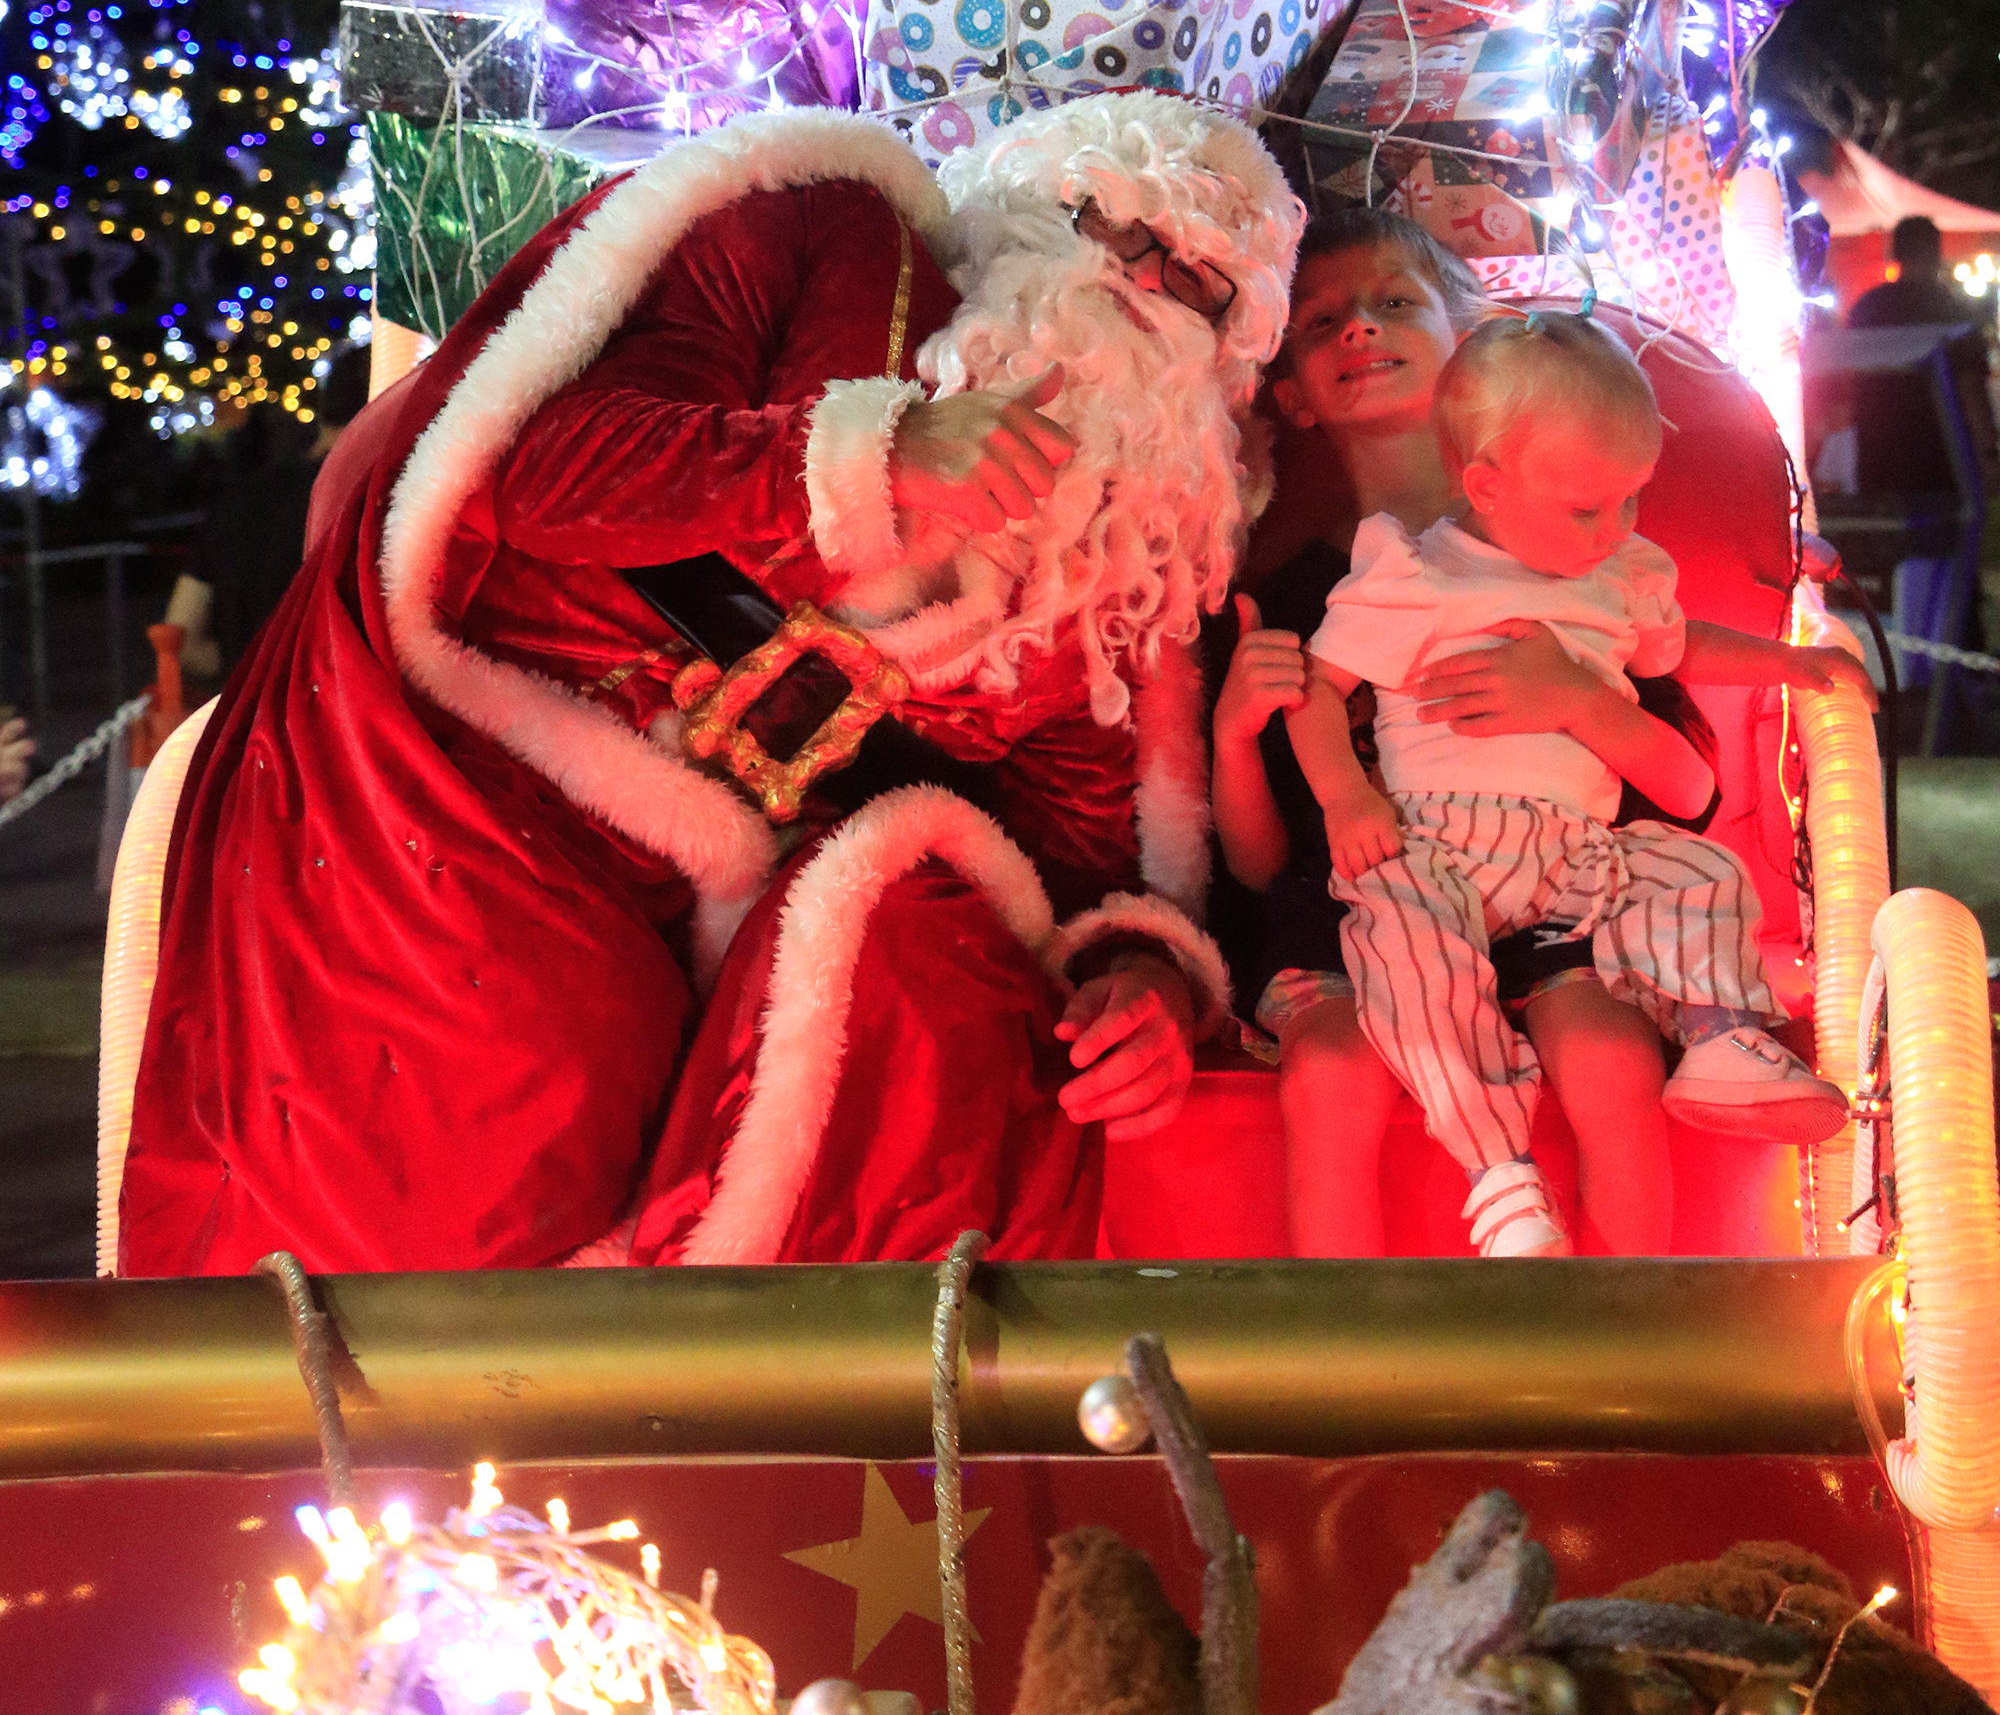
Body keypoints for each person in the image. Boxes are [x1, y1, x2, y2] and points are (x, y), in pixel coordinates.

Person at [118, 92, 1300, 1276]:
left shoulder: (1113, 572)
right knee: (494, 1137)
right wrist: (875, 455)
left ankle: (805, 1389)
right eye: (1113, 221)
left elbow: (1080, 851)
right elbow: (539, 466)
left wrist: (1137, 975)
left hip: (760, 904)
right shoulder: (823, 231)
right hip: (497, 779)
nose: (1143, 279)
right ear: (1020, 197)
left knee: (957, 1060)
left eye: (1200, 284)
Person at [1225, 307, 1849, 1258]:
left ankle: (1721, 1034)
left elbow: (1677, 650)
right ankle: (1501, 1176)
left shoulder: (1619, 573)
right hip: (1438, 846)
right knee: (1416, 961)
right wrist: (1347, 794)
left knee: (1700, 870)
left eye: (1633, 499)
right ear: (1487, 486)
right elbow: (1318, 687)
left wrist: (1788, 662)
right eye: (1589, 509)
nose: (1617, 529)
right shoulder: (1419, 573)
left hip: (1574, 859)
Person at [158, 349, 375, 700]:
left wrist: (246, 665)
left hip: (251, 714)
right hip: (340, 714)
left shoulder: (240, 497)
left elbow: (182, 636)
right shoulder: (369, 505)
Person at [1847, 214, 1995, 716]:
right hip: (1942, 461)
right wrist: (1988, 457)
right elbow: (1972, 393)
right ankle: (1958, 683)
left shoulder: (1867, 309)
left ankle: (1889, 678)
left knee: (1884, 571)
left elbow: (1844, 390)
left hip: (1878, 462)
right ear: (1935, 253)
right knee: (1953, 569)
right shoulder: (1951, 310)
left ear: (1894, 254)